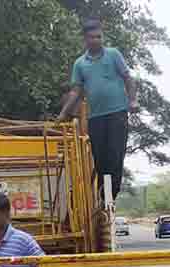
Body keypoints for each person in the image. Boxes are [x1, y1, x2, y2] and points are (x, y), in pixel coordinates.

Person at [57, 18, 137, 201]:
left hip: (117, 113)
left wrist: (132, 101)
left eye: (99, 37)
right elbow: (76, 91)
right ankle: (102, 196)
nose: (97, 40)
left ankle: (111, 197)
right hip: (96, 117)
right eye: (92, 37)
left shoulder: (113, 54)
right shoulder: (80, 64)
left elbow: (128, 78)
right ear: (85, 39)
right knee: (100, 160)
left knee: (115, 156)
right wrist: (63, 114)